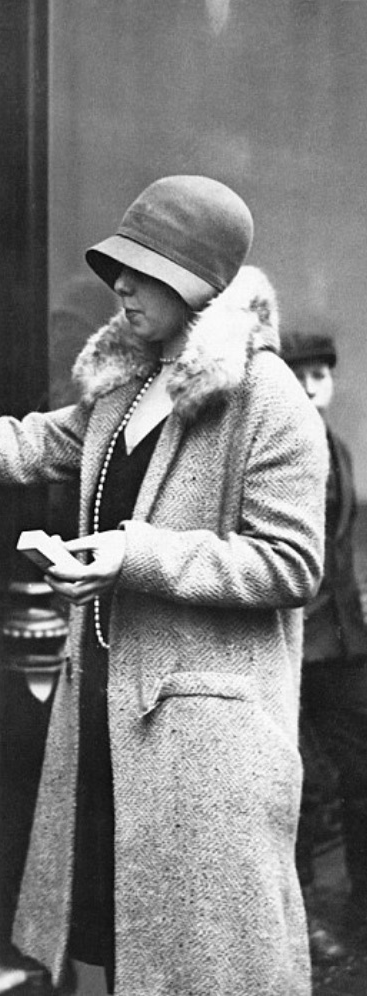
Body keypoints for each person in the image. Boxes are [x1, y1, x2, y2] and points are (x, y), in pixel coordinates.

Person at [0, 175, 327, 995]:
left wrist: (133, 557)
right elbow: (20, 445)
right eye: (117, 268)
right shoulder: (126, 384)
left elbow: (290, 563)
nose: (119, 287)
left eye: (141, 270)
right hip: (106, 713)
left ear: (196, 282)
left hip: (203, 748)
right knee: (115, 946)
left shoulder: (267, 401)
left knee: (204, 963)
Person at [281, 329, 367, 963]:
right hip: (292, 647)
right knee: (301, 786)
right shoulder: (280, 452)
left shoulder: (337, 448)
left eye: (322, 375)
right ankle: (300, 915)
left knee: (360, 772)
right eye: (300, 374)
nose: (313, 387)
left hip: (343, 645)